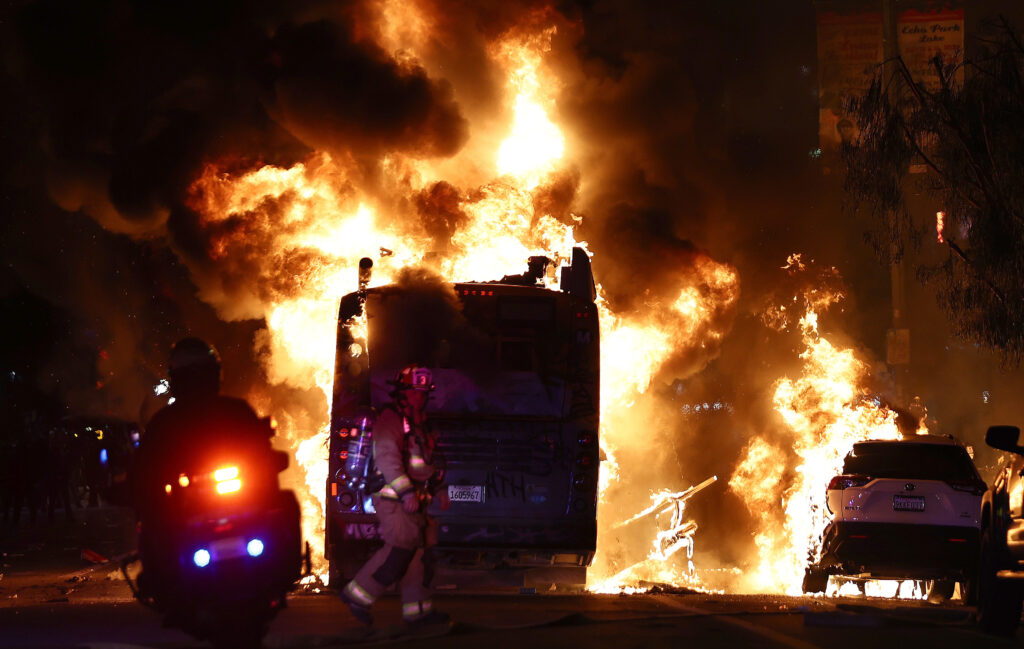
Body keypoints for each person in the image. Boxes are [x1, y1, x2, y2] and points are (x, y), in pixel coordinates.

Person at [133, 338, 273, 596]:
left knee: (280, 507)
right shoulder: (164, 424)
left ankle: (280, 565)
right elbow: (146, 469)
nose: (196, 383)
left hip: (240, 501)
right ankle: (161, 578)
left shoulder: (236, 412)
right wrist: (138, 487)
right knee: (151, 522)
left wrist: (268, 467)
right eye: (190, 376)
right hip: (183, 507)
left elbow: (263, 455)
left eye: (201, 375)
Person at [340, 364, 450, 629]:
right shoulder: (391, 419)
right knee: (399, 552)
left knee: (419, 559)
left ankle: (418, 614)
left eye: (424, 393)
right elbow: (388, 457)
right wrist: (406, 492)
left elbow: (430, 461)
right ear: (403, 392)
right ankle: (357, 596)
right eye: (414, 392)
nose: (419, 397)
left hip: (416, 502)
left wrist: (440, 489)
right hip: (396, 501)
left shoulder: (421, 424)